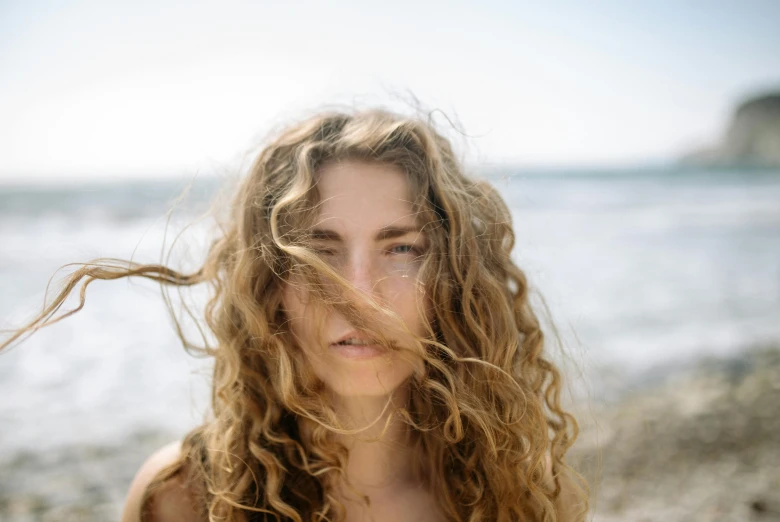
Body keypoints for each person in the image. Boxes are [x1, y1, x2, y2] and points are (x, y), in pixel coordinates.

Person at [4, 108, 588, 521]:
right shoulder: (185, 498)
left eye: (402, 249)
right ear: (267, 284)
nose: (359, 293)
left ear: (456, 279)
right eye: (318, 252)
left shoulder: (520, 494)